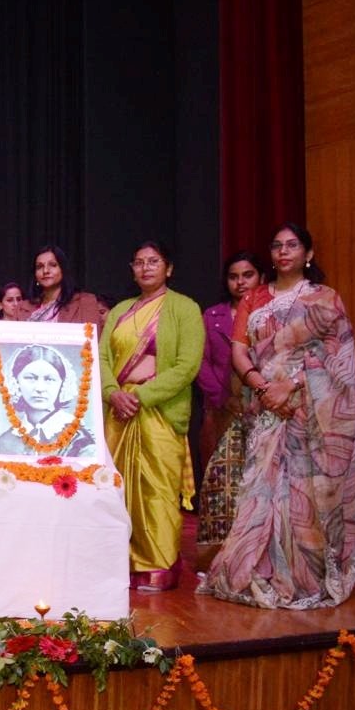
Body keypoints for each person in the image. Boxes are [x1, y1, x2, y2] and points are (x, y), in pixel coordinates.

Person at [198, 224, 355, 609]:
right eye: (276, 246)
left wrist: (290, 385)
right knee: (262, 489)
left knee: (303, 493)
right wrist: (263, 388)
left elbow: (338, 357)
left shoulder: (325, 299)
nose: (283, 252)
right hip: (265, 410)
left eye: (292, 245)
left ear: (308, 253)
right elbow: (240, 352)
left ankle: (306, 576)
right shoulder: (254, 297)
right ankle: (260, 569)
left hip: (311, 409)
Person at [99, 241, 204, 591]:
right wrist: (113, 393)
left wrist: (140, 396)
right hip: (118, 414)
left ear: (168, 268)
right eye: (139, 262)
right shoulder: (120, 310)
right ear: (132, 269)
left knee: (157, 490)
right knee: (116, 490)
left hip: (158, 411)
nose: (145, 268)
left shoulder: (184, 308)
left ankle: (158, 566)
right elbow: (101, 358)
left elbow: (186, 366)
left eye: (154, 261)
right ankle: (118, 563)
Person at [194, 251, 263, 565]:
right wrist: (223, 399)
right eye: (234, 276)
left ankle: (255, 557)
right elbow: (201, 362)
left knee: (257, 484)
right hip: (221, 411)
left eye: (247, 275)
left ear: (260, 277)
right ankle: (217, 560)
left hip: (264, 409)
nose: (240, 282)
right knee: (219, 486)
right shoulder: (213, 316)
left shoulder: (270, 314)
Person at [0, 344, 96, 457]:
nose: (40, 388)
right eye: (30, 378)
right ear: (16, 381)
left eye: (49, 379)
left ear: (62, 384)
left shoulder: (80, 440)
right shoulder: (3, 442)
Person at [26, 245, 107, 326]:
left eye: (53, 265)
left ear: (63, 269)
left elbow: (91, 333)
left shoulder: (84, 302)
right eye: (39, 267)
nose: (45, 271)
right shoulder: (22, 307)